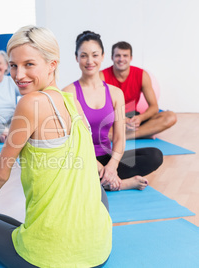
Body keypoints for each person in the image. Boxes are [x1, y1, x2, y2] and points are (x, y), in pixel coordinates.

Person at [0, 26, 112, 268]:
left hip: (54, 257)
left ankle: (35, 236)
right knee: (95, 192)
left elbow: (0, 172)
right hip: (99, 247)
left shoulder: (30, 102)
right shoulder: (71, 99)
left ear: (52, 64)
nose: (18, 74)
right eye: (13, 65)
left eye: (29, 65)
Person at [63, 31, 163, 191]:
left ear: (102, 56)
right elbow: (71, 143)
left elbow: (119, 138)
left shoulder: (115, 93)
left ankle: (101, 182)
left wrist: (112, 166)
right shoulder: (68, 92)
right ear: (76, 58)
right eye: (83, 56)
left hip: (107, 158)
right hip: (80, 158)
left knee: (154, 155)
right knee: (62, 169)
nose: (90, 61)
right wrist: (102, 170)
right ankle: (120, 184)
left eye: (95, 55)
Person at [99, 41, 177, 139]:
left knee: (170, 117)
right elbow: (98, 108)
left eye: (125, 55)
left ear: (131, 58)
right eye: (118, 55)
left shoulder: (142, 75)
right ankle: (142, 133)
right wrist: (120, 119)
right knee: (96, 127)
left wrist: (140, 118)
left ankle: (127, 136)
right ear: (112, 57)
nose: (121, 59)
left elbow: (154, 107)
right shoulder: (102, 76)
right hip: (112, 119)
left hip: (133, 118)